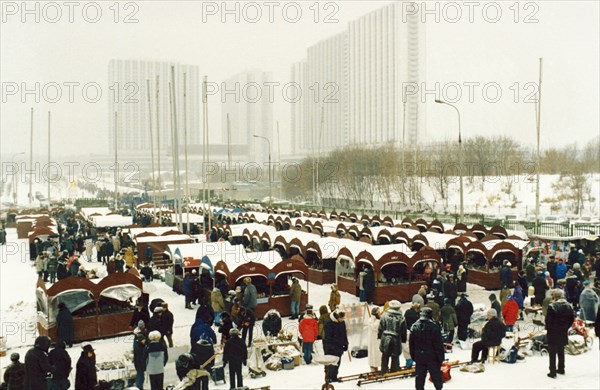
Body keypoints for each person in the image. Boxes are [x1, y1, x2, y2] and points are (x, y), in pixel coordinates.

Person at [409, 307, 444, 390]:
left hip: (419, 356)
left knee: (420, 378)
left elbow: (411, 344)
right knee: (436, 377)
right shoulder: (434, 326)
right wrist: (440, 358)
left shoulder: (414, 327)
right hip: (432, 357)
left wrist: (414, 356)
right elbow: (438, 344)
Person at [546, 289, 575, 378]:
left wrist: (549, 328)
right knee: (561, 350)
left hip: (553, 332)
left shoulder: (552, 306)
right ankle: (561, 368)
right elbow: (572, 319)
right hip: (563, 331)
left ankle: (552, 371)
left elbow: (548, 321)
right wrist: (566, 327)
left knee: (552, 352)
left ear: (554, 296)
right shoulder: (569, 306)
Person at [378, 300, 407, 374]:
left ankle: (384, 370)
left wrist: (380, 336)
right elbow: (403, 330)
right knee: (395, 356)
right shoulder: (401, 318)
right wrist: (403, 339)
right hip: (396, 339)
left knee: (385, 356)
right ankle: (394, 371)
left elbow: (381, 327)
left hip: (385, 338)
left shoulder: (384, 315)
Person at [323, 310, 349, 382]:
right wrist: (332, 347)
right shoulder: (329, 324)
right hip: (331, 348)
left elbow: (344, 333)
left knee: (337, 363)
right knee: (331, 364)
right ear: (337, 317)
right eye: (342, 318)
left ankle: (334, 377)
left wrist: (346, 343)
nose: (343, 320)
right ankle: (328, 378)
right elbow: (327, 338)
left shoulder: (342, 323)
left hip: (339, 346)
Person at [133, 320, 148, 390]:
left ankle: (138, 386)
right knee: (141, 374)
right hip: (140, 358)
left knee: (139, 373)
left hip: (137, 358)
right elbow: (144, 343)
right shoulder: (140, 335)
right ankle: (139, 387)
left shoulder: (136, 335)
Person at [367, 306, 382, 372]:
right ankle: (373, 369)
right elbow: (375, 327)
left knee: (377, 355)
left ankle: (376, 368)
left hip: (377, 340)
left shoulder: (376, 320)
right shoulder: (372, 320)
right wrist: (379, 320)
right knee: (374, 355)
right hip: (373, 341)